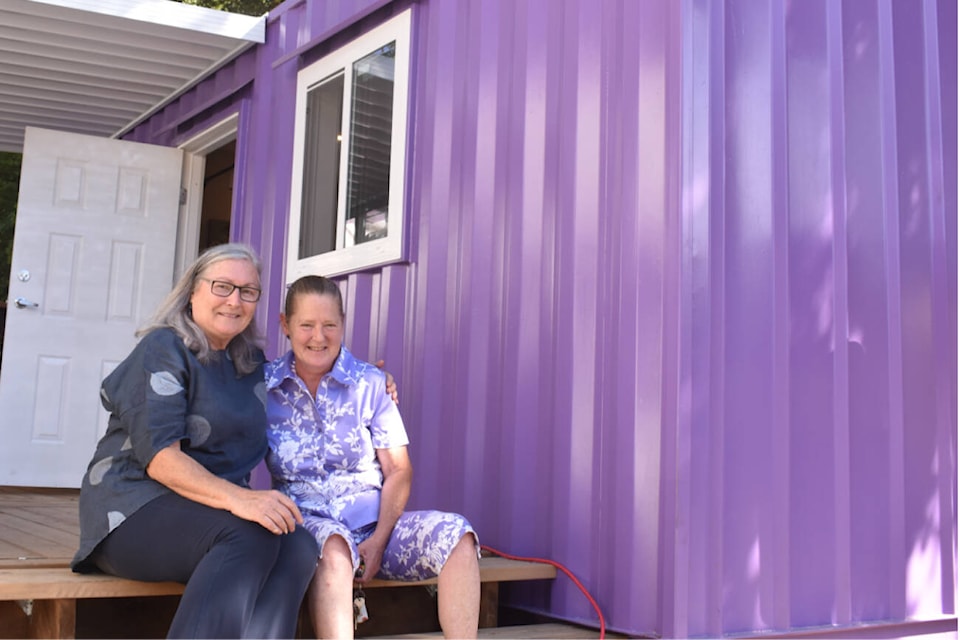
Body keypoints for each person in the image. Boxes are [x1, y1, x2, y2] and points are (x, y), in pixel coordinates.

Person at [71, 243, 318, 639]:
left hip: (204, 511)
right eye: (222, 287)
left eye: (248, 291)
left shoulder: (249, 363)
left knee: (298, 545)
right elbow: (161, 460)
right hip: (132, 509)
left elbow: (307, 379)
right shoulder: (164, 348)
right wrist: (240, 499)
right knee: (248, 535)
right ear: (192, 292)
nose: (235, 300)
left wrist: (373, 382)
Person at [265, 275, 482, 639]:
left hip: (375, 528)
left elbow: (398, 469)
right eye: (306, 325)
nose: (318, 337)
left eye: (329, 325)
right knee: (334, 550)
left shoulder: (370, 384)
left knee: (458, 535)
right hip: (308, 529)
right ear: (285, 325)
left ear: (343, 324)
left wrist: (380, 538)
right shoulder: (261, 387)